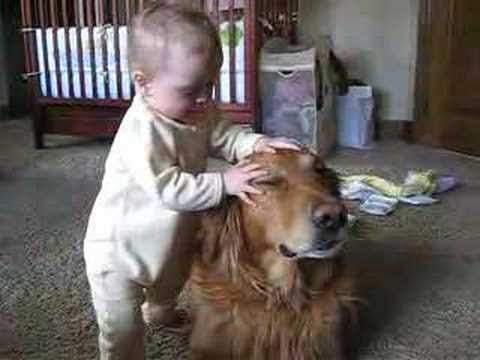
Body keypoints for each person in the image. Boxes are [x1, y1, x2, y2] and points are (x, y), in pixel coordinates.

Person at [83, 2, 299, 359]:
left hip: (168, 238)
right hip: (118, 252)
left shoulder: (199, 107)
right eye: (189, 90)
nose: (203, 98)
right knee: (121, 329)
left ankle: (160, 312)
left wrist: (257, 143)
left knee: (170, 282)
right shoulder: (142, 131)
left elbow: (224, 135)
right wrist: (223, 183)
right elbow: (166, 187)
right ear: (144, 83)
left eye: (209, 86)